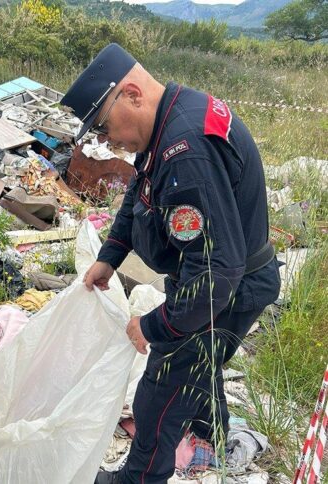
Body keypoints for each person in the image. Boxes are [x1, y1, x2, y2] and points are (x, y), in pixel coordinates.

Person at [60, 43, 280, 483]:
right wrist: (110, 255)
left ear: (132, 94)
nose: (107, 141)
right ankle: (212, 434)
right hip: (216, 280)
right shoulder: (169, 118)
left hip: (226, 291)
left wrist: (154, 325)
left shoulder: (187, 149)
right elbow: (138, 193)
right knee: (198, 365)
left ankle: (139, 478)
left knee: (158, 395)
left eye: (103, 127)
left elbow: (216, 272)